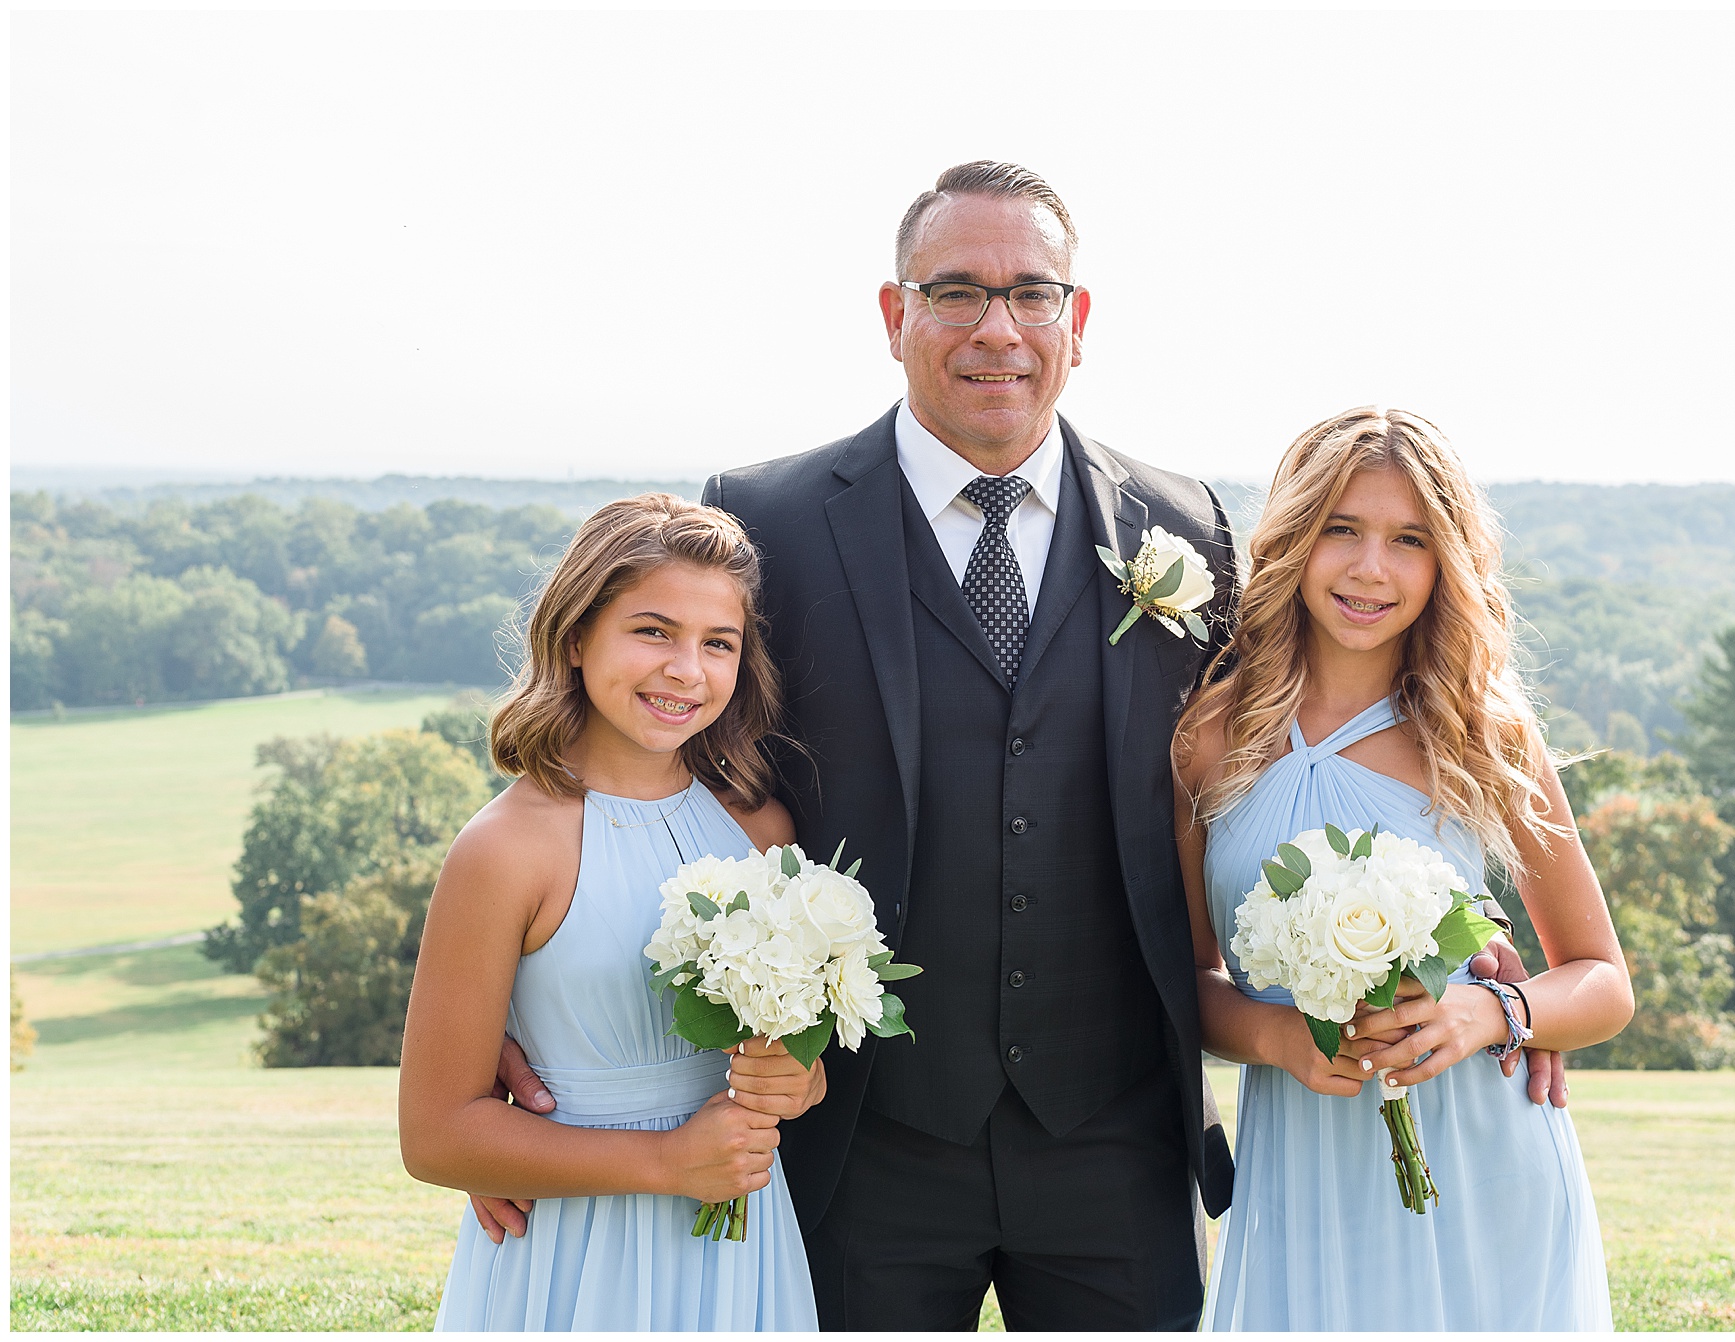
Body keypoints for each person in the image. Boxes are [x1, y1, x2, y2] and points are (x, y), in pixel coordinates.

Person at [476, 162, 1565, 1329]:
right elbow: (651, 744)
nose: (996, 327)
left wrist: (1467, 948)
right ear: (895, 316)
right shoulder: (770, 516)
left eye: (1030, 293)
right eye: (954, 292)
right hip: (856, 1138)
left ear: (1075, 321)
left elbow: (1286, 748)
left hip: (1117, 1140)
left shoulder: (1183, 524)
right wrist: (514, 995)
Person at [1177, 407, 1631, 1331]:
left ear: (1445, 564)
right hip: (1302, 1161)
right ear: (1295, 540)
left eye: (1408, 540)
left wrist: (1494, 1012)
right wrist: (1278, 1041)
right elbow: (1186, 980)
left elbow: (1605, 982)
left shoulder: (1483, 734)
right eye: (1341, 529)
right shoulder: (1207, 739)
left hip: (1484, 1154)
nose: (1370, 568)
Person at [399, 494, 822, 1330]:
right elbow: (436, 1134)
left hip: (743, 1247)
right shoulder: (507, 850)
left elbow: (788, 1061)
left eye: (719, 644)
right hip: (573, 1249)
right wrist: (667, 1161)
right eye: (653, 631)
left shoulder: (758, 830)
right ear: (576, 638)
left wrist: (796, 1080)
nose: (686, 670)